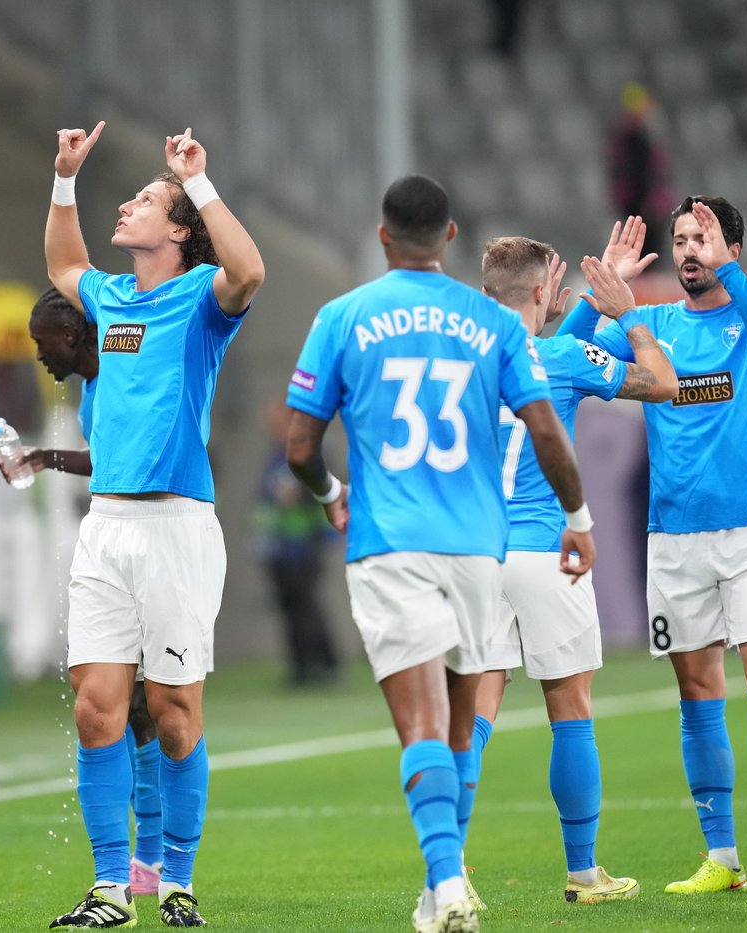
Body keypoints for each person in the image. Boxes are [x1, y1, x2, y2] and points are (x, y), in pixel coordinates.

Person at [284, 174, 594, 933]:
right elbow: (547, 431)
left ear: (382, 235)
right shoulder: (493, 324)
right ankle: (439, 891)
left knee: (420, 726)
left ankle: (450, 882)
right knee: (461, 729)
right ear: (451, 236)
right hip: (476, 548)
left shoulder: (343, 315)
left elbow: (299, 445)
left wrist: (330, 493)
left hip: (390, 542)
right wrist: (579, 516)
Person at [558, 197, 747, 895]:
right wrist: (601, 291)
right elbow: (563, 355)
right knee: (698, 696)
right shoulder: (657, 328)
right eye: (679, 239)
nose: (688, 250)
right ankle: (722, 857)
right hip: (673, 540)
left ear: (730, 245)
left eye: (701, 238)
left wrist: (730, 277)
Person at [44, 119, 264, 929]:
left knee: (173, 712)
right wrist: (65, 177)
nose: (128, 204)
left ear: (177, 231)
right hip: (106, 525)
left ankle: (176, 876)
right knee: (96, 707)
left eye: (145, 199)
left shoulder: (202, 302)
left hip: (176, 524)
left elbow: (249, 268)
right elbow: (65, 263)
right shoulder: (108, 297)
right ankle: (110, 888)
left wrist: (198, 180)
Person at [470, 224, 678, 906]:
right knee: (570, 706)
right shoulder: (560, 356)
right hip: (545, 551)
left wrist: (579, 303)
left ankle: (449, 865)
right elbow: (663, 383)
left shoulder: (460, 357)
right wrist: (627, 311)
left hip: (475, 555)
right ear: (541, 291)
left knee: (474, 713)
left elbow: (549, 349)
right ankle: (584, 871)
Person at [5, 286, 166, 897]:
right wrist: (44, 457)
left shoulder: (129, 364)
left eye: (42, 342)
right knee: (114, 705)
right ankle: (132, 868)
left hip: (160, 541)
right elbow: (110, 459)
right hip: (113, 545)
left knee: (157, 710)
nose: (39, 355)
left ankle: (155, 862)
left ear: (73, 336)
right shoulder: (94, 390)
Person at [254, 397, 340, 687]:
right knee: (290, 607)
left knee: (307, 605)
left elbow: (323, 488)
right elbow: (266, 500)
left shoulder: (310, 452)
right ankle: (301, 667)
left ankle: (326, 665)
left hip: (305, 543)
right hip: (280, 546)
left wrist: (299, 498)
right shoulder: (275, 456)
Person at [607, 84, 674, 261]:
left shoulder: (641, 137)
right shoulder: (629, 140)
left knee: (648, 252)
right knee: (642, 251)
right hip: (639, 206)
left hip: (645, 206)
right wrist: (648, 202)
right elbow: (635, 175)